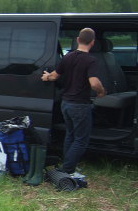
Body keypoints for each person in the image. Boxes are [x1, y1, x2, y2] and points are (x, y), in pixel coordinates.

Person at [42, 28, 106, 175]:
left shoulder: (68, 57)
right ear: (93, 42)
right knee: (81, 140)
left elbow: (54, 76)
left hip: (66, 103)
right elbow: (94, 83)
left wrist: (46, 77)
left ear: (78, 40)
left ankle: (67, 165)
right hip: (80, 105)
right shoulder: (91, 60)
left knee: (70, 135)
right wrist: (102, 92)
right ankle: (67, 169)